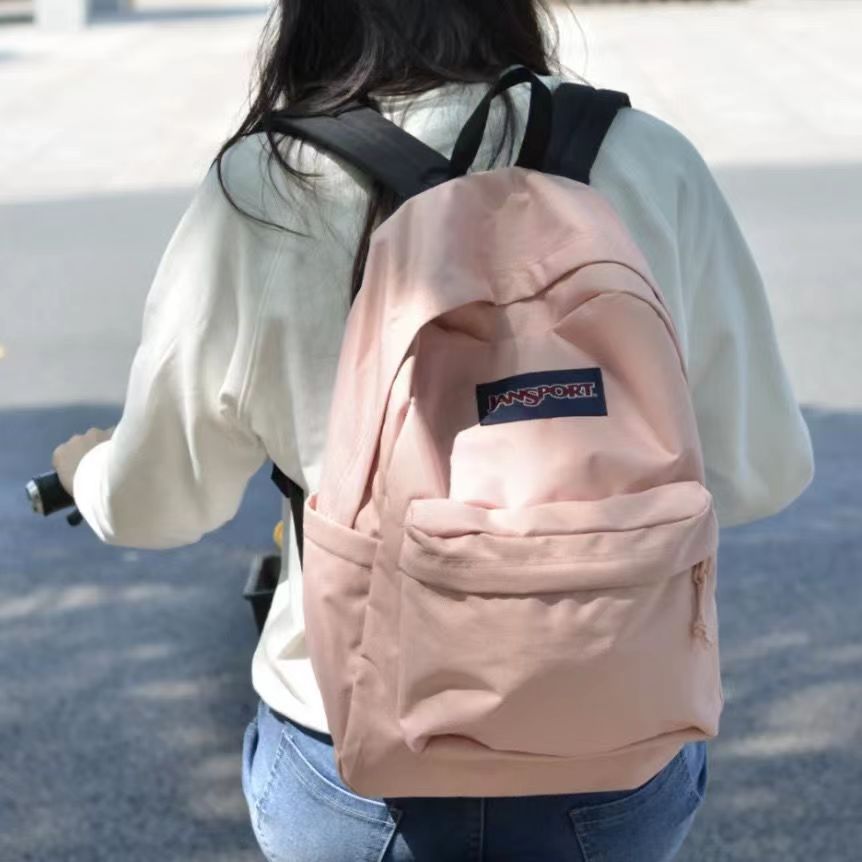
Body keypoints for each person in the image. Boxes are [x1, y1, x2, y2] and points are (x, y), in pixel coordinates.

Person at [52, 1, 815, 859]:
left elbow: (160, 504)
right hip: (616, 743)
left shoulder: (269, 183)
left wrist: (90, 473)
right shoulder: (648, 158)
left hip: (351, 759)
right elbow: (762, 474)